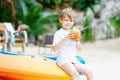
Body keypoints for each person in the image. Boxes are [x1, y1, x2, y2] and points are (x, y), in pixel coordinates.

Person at [52, 8, 93, 80]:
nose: (68, 22)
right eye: (66, 20)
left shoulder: (74, 33)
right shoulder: (58, 33)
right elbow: (54, 49)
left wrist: (77, 40)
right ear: (60, 20)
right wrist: (66, 38)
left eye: (71, 21)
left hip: (73, 60)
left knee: (89, 73)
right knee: (75, 75)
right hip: (63, 60)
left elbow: (80, 49)